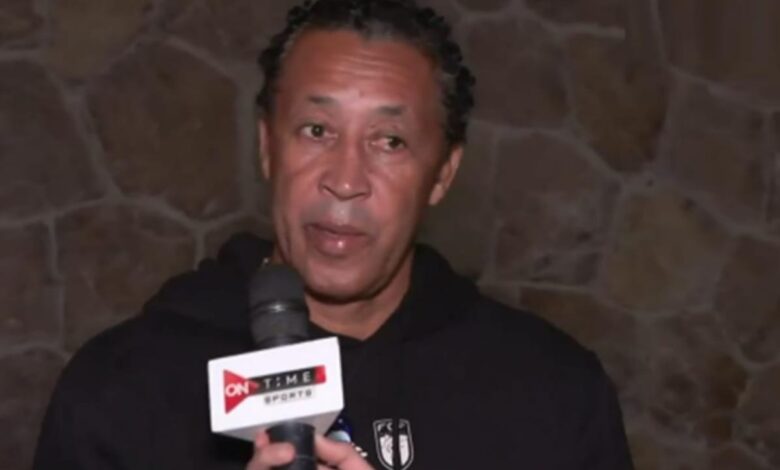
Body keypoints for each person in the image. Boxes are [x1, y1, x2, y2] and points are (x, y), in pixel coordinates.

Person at [34, 1, 635, 469]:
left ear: (442, 174)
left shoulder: (552, 392)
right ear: (267, 146)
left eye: (390, 141)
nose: (346, 181)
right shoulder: (124, 387)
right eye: (317, 130)